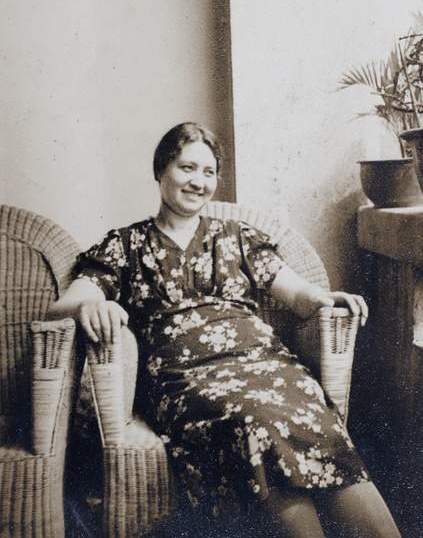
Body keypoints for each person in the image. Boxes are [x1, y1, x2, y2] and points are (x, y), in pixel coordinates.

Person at [48, 122, 401, 538]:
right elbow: (63, 304)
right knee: (255, 419)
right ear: (161, 170)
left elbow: (298, 294)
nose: (199, 182)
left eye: (209, 172)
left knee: (308, 414)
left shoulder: (238, 238)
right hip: (189, 381)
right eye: (186, 168)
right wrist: (94, 303)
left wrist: (324, 300)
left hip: (268, 366)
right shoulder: (125, 246)